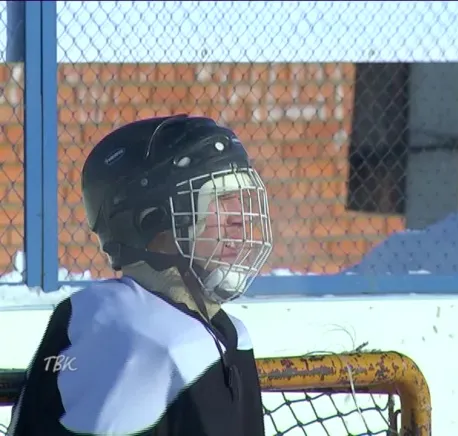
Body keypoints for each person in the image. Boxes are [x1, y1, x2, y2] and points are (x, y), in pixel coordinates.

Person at [7, 114, 273, 435]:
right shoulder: (140, 334)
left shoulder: (224, 332)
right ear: (149, 220)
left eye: (241, 200)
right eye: (220, 199)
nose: (239, 220)